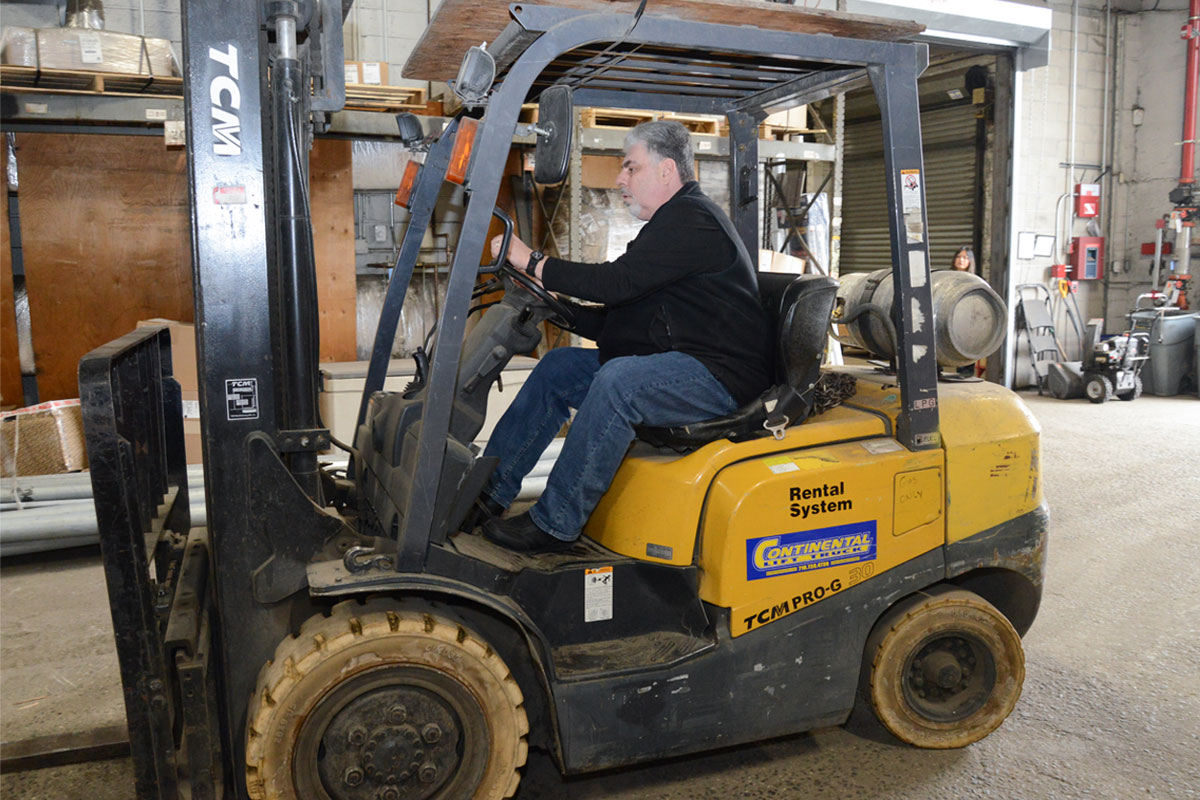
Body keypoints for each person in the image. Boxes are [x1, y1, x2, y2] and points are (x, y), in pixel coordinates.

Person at [476, 120, 770, 553]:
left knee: (620, 382)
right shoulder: (667, 228)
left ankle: (555, 524)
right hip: (680, 362)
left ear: (667, 171)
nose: (620, 179)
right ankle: (487, 495)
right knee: (558, 367)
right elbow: (625, 321)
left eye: (631, 168)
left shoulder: (695, 220)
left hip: (719, 378)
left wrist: (533, 260)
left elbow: (617, 284)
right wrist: (558, 308)